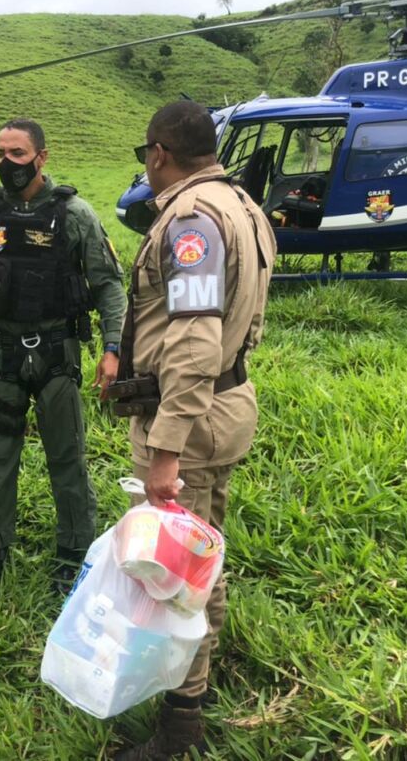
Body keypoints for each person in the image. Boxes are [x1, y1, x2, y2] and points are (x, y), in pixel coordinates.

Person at [110, 101, 276, 760]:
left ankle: (181, 725)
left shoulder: (191, 219)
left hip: (192, 416)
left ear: (159, 153)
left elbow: (194, 342)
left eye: (146, 158)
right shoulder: (241, 203)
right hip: (225, 404)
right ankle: (211, 663)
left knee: (177, 573)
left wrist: (164, 450)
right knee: (207, 547)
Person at [0, 118, 126, 598]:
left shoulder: (74, 214)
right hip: (0, 353)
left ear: (41, 157)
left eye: (16, 154)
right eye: (0, 153)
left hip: (59, 351)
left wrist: (114, 348)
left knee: (68, 457)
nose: (5, 163)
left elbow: (108, 285)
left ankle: (73, 552)